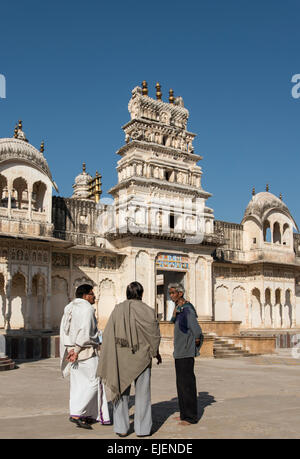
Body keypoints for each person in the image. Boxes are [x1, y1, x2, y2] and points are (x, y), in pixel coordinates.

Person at [98, 281, 162, 437]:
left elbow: (107, 335)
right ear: (141, 294)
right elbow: (154, 335)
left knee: (120, 392)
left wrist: (109, 354)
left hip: (121, 357)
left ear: (127, 294)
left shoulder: (118, 310)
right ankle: (143, 429)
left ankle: (121, 428)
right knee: (143, 395)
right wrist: (156, 352)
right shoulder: (148, 311)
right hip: (142, 358)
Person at [60, 284, 110, 429]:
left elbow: (65, 330)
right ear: (85, 295)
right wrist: (76, 350)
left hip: (73, 354)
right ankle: (77, 413)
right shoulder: (87, 309)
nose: (94, 296)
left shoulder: (69, 307)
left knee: (78, 385)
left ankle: (86, 414)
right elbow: (85, 332)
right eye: (92, 294)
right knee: (95, 382)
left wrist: (70, 349)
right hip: (86, 352)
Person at [168, 283, 203, 426]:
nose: (171, 296)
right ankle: (184, 414)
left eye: (173, 293)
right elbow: (173, 322)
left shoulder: (188, 309)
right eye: (170, 293)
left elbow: (197, 330)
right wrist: (174, 314)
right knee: (181, 385)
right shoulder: (179, 308)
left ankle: (191, 417)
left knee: (187, 385)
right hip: (179, 352)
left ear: (180, 293)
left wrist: (193, 345)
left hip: (185, 353)